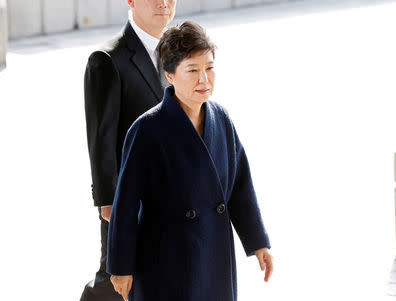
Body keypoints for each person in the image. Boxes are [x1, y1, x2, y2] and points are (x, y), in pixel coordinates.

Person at [107, 21, 274, 301]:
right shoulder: (146, 129)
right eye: (193, 70)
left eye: (209, 68)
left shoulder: (221, 119)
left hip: (213, 253)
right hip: (166, 257)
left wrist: (258, 242)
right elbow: (125, 204)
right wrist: (121, 267)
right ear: (170, 75)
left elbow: (240, 187)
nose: (204, 80)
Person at [81, 1, 176, 300]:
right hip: (128, 201)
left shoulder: (179, 54)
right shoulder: (108, 60)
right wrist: (108, 202)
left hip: (172, 198)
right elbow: (101, 137)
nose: (163, 2)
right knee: (113, 282)